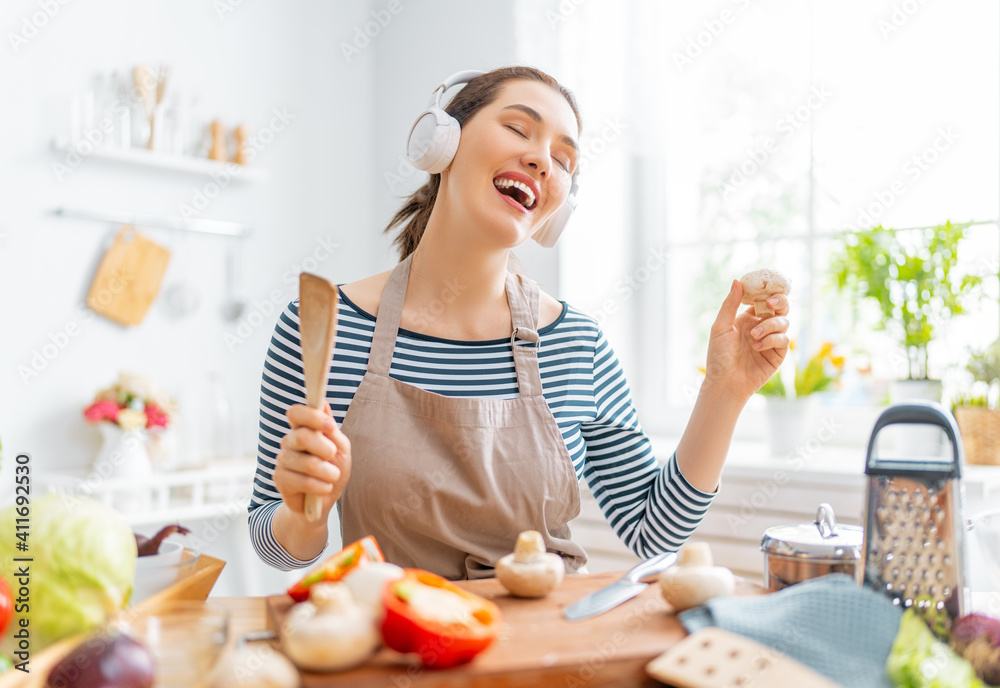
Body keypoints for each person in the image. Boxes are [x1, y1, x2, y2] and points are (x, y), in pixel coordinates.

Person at [248, 66, 790, 580]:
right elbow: (272, 541)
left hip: (539, 656)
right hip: (395, 652)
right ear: (444, 141)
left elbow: (655, 532)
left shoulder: (578, 344)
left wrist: (724, 391)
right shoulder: (321, 326)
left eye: (563, 159)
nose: (541, 161)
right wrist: (306, 515)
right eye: (517, 128)